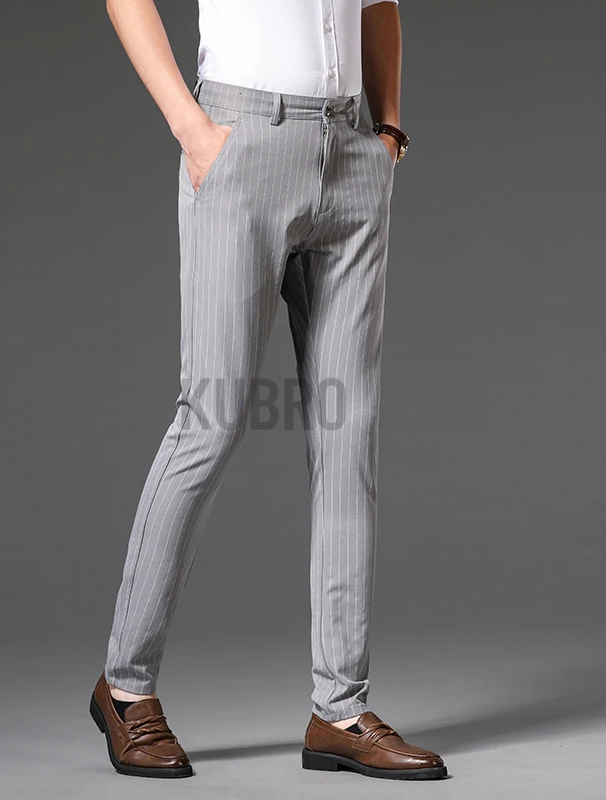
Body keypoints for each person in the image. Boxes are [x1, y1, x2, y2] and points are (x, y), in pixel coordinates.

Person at [88, 0, 447, 781]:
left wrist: (387, 128)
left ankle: (340, 710)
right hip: (241, 143)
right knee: (211, 419)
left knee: (348, 436)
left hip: (351, 153)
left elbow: (379, 3)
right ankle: (125, 688)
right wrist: (192, 129)